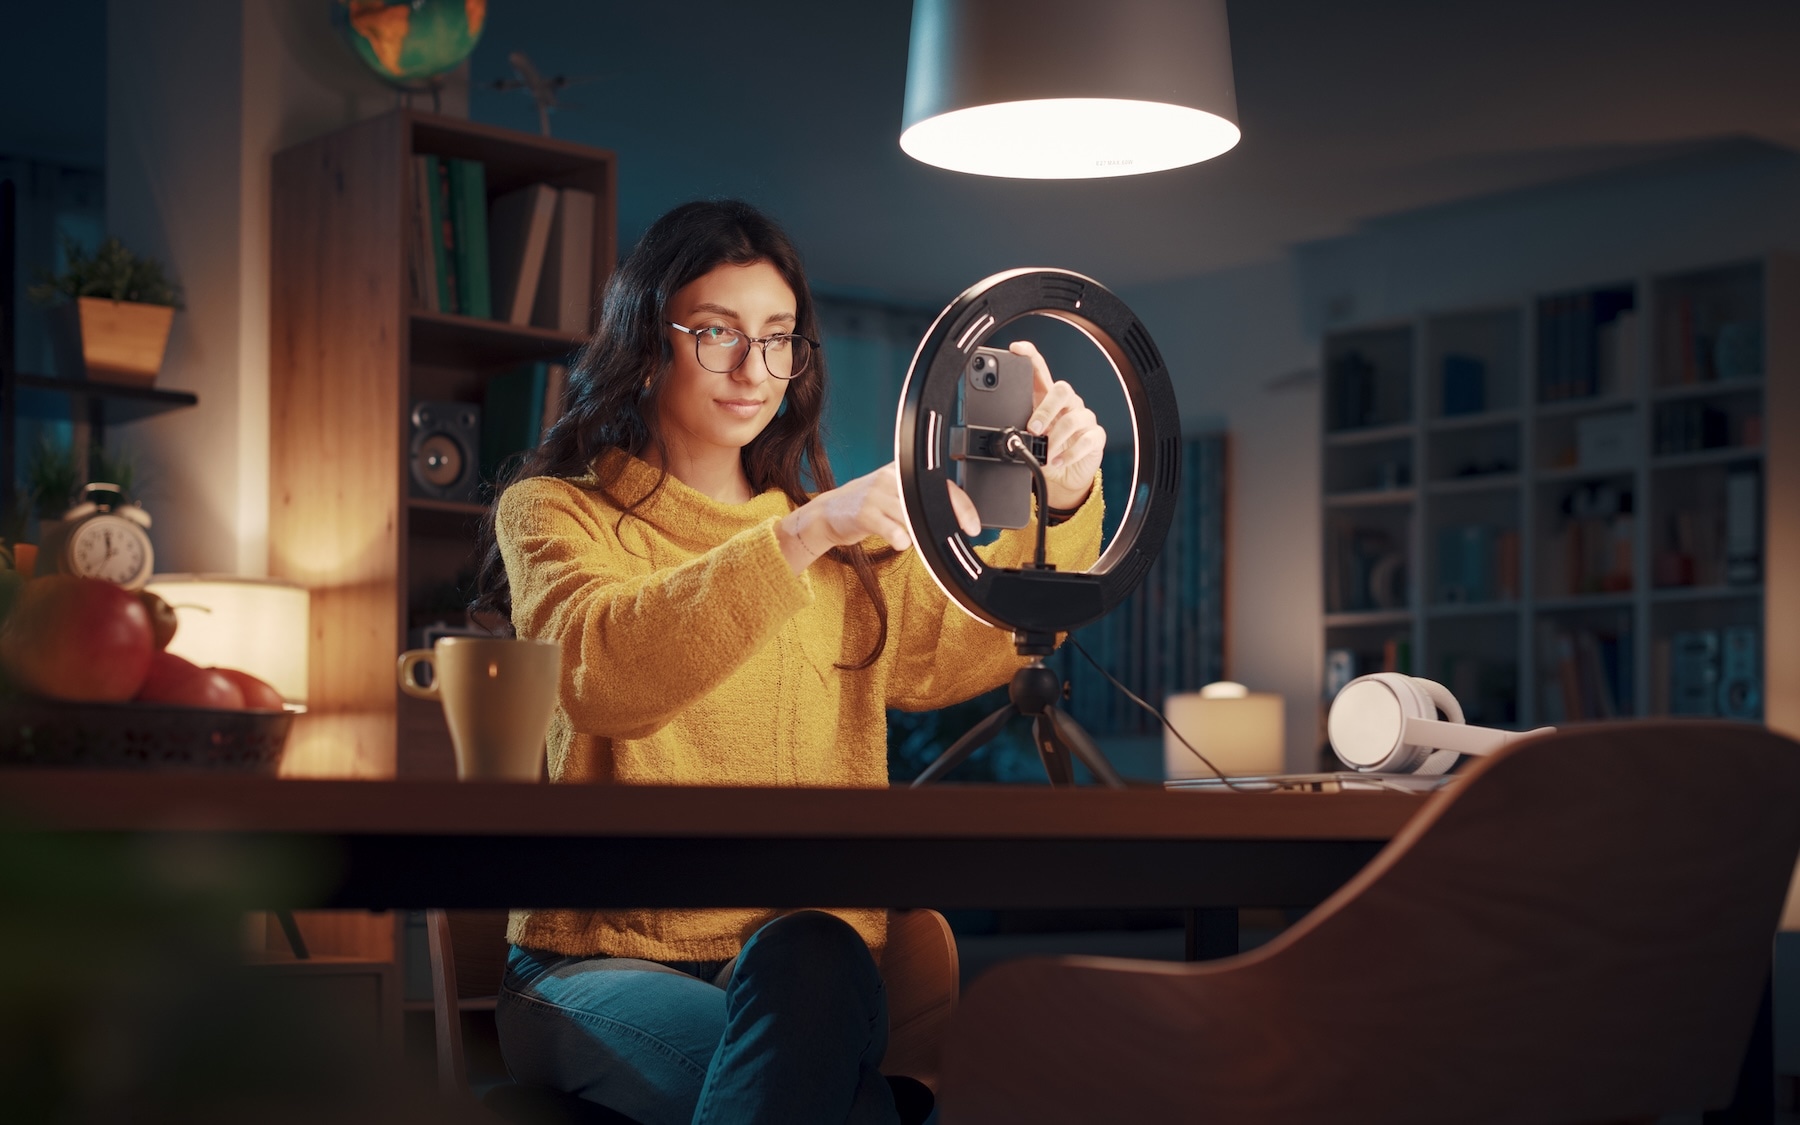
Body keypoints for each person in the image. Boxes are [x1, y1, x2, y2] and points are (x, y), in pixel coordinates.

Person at [472, 199, 1107, 1125]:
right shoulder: (553, 512)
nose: (751, 368)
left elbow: (972, 647)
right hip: (594, 970)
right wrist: (803, 530)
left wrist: (1066, 497)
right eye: (717, 334)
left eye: (777, 338)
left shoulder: (841, 547)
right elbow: (602, 669)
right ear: (648, 343)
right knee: (847, 1103)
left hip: (810, 972)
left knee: (812, 952)